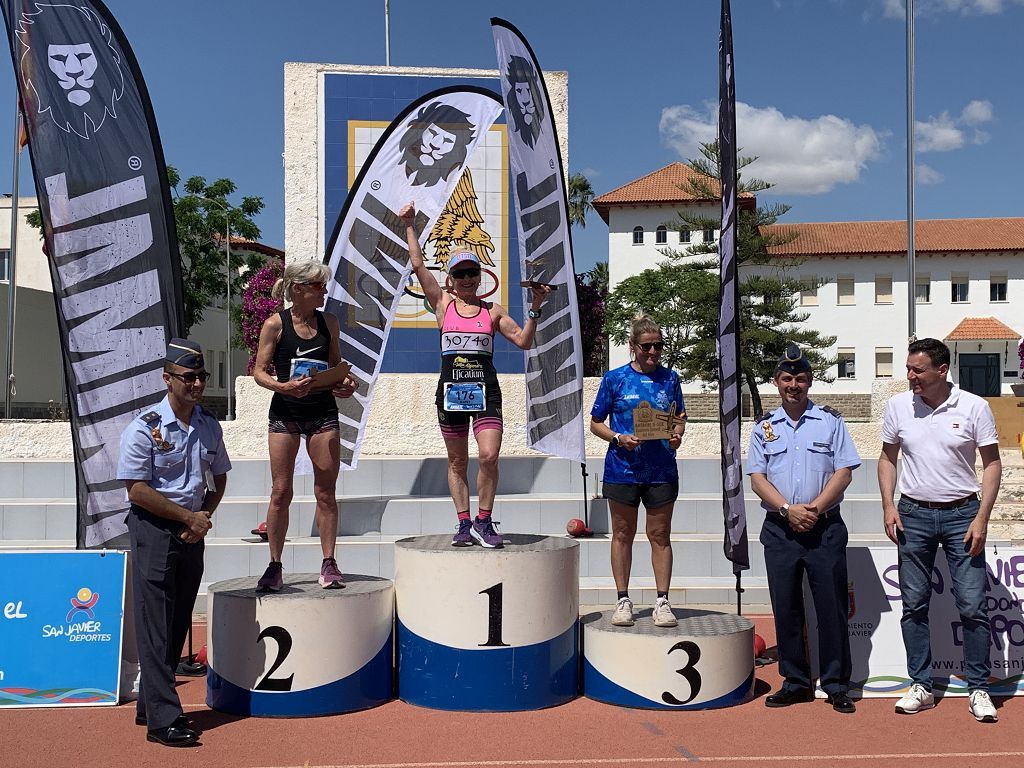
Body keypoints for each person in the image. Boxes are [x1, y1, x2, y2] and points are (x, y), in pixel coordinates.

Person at [400, 201, 550, 549]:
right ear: (450, 279)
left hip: (487, 393)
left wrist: (536, 308)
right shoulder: (442, 304)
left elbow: (524, 342)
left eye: (472, 273)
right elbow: (418, 264)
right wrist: (409, 223)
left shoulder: (493, 311)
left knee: (488, 456)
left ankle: (484, 520)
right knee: (456, 460)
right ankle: (463, 523)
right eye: (461, 274)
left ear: (479, 277)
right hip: (450, 393)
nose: (467, 279)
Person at [878, 338, 1001, 723]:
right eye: (908, 368)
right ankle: (921, 685)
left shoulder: (974, 406)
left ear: (941, 370)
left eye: (917, 370)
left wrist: (981, 517)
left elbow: (992, 465)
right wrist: (888, 505)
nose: (910, 376)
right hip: (912, 515)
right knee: (914, 604)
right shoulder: (898, 406)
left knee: (972, 605)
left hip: (963, 514)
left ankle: (979, 687)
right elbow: (886, 458)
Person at [117, 339, 231, 748]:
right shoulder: (144, 427)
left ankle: (150, 703)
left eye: (201, 376)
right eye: (188, 377)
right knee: (155, 627)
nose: (197, 384)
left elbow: (219, 477)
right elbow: (136, 490)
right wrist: (187, 517)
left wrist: (203, 518)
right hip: (154, 529)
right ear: (167, 379)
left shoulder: (208, 425)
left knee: (177, 619)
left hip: (191, 530)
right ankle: (164, 720)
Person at [747, 343, 860, 714]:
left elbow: (844, 471)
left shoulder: (831, 421)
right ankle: (795, 681)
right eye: (786, 378)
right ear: (776, 383)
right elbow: (757, 477)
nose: (793, 384)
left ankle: (836, 683)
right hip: (781, 529)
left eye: (800, 378)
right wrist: (787, 509)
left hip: (823, 527)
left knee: (831, 608)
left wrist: (813, 508)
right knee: (787, 608)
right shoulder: (764, 426)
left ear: (809, 381)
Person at [252, 261, 357, 592]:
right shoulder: (275, 324)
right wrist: (283, 387)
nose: (324, 291)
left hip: (323, 413)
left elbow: (337, 367)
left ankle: (328, 562)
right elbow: (259, 370)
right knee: (281, 490)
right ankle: (274, 565)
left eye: (323, 286)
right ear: (298, 290)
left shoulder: (329, 323)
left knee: (325, 491)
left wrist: (345, 383)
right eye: (318, 286)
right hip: (285, 413)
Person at [590, 313, 685, 628]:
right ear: (633, 346)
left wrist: (677, 434)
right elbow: (595, 423)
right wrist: (618, 437)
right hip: (622, 470)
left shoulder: (671, 379)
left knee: (660, 534)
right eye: (647, 346)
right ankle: (622, 599)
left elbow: (679, 416)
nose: (653, 352)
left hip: (661, 470)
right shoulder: (614, 379)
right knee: (622, 533)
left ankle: (662, 601)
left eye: (658, 346)